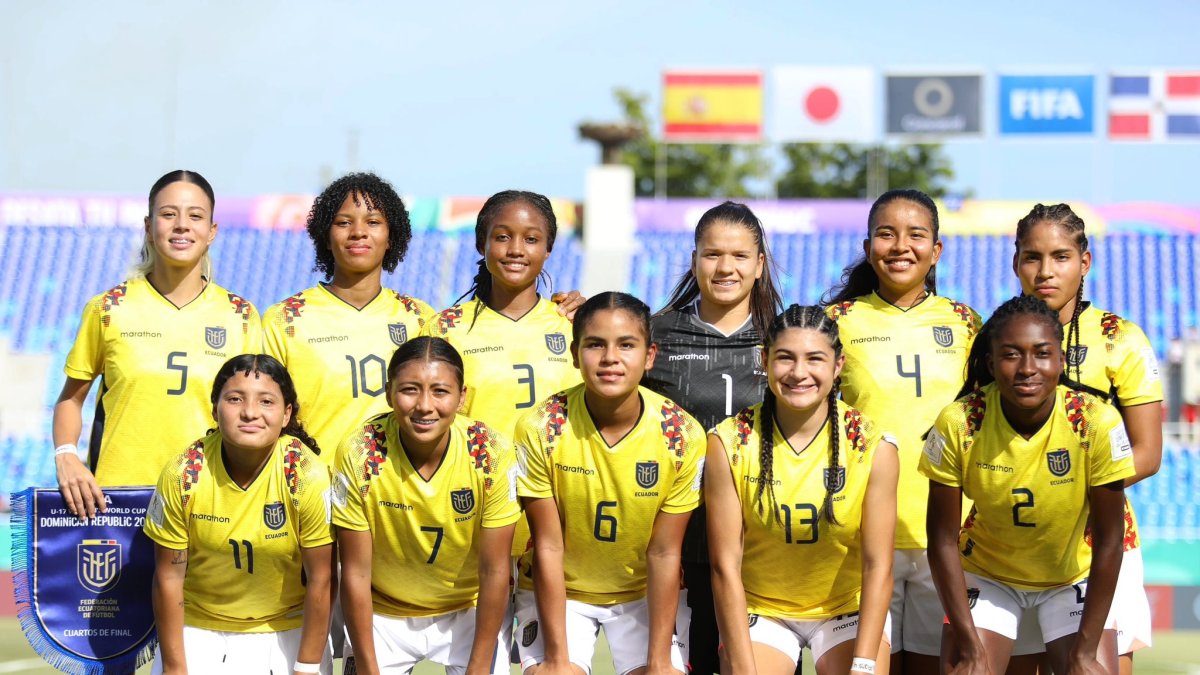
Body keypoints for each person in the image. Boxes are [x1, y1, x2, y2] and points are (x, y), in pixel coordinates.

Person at [921, 295, 1132, 675]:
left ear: (1062, 359)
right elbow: (940, 540)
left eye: (1042, 353)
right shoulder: (959, 422)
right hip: (989, 574)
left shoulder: (1097, 423)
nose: (1027, 368)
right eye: (1011, 354)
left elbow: (1110, 540)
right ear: (991, 362)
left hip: (1070, 578)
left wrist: (1083, 654)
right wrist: (970, 647)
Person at [824, 188, 980, 674]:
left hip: (950, 534)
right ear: (869, 245)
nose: (900, 246)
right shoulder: (837, 323)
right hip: (863, 536)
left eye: (916, 235)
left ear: (936, 251)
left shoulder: (966, 323)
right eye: (886, 234)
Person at [512, 292, 704, 675]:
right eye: (595, 344)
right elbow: (548, 546)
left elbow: (665, 554)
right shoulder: (541, 427)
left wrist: (659, 661)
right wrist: (556, 658)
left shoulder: (681, 434)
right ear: (573, 352)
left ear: (650, 355)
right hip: (558, 592)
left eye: (626, 345)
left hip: (642, 594)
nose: (610, 358)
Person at [55, 170, 262, 519]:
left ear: (212, 231)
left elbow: (256, 415)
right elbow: (70, 400)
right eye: (169, 214)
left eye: (195, 216)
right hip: (116, 505)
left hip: (208, 504)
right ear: (149, 227)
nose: (182, 225)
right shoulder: (108, 309)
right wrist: (66, 454)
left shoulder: (241, 316)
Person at [1009, 204, 1161, 674]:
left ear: (1085, 262)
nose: (1046, 271)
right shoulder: (991, 339)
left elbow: (1148, 453)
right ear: (1016, 262)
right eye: (1032, 257)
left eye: (1061, 256)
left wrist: (1064, 498)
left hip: (1101, 541)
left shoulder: (1122, 339)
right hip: (1009, 545)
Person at [707, 304, 897, 675]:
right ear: (764, 360)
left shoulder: (873, 445)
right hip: (762, 610)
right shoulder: (728, 442)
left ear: (838, 365)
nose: (799, 373)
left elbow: (878, 566)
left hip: (845, 608)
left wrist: (862, 666)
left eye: (815, 359)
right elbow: (724, 566)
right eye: (785, 358)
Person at [643, 200, 783, 675]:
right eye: (712, 254)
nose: (726, 267)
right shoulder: (654, 336)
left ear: (760, 264)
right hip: (681, 548)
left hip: (767, 545)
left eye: (741, 256)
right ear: (694, 259)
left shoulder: (786, 340)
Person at [333, 337, 518, 675]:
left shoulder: (491, 452)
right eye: (410, 390)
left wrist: (478, 668)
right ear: (389, 393)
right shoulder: (359, 452)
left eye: (440, 391)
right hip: (383, 614)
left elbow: (494, 571)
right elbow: (356, 573)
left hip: (468, 611)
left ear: (462, 397)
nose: (424, 405)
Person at [144, 354, 334, 674]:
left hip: (286, 629)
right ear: (215, 408)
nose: (250, 413)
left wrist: (307, 666)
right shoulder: (183, 473)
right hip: (197, 629)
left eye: (266, 401)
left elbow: (323, 578)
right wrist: (174, 667)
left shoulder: (306, 476)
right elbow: (168, 575)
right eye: (234, 399)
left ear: (286, 414)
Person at [423, 189, 583, 561]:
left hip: (559, 521)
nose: (516, 249)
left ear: (549, 249)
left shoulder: (575, 326)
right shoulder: (444, 330)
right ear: (482, 244)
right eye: (502, 236)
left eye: (531, 239)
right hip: (472, 518)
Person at [263, 172, 435, 463]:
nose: (358, 232)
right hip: (313, 490)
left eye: (373, 222)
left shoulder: (420, 319)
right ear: (326, 238)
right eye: (344, 222)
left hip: (398, 491)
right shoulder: (284, 320)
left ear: (391, 237)